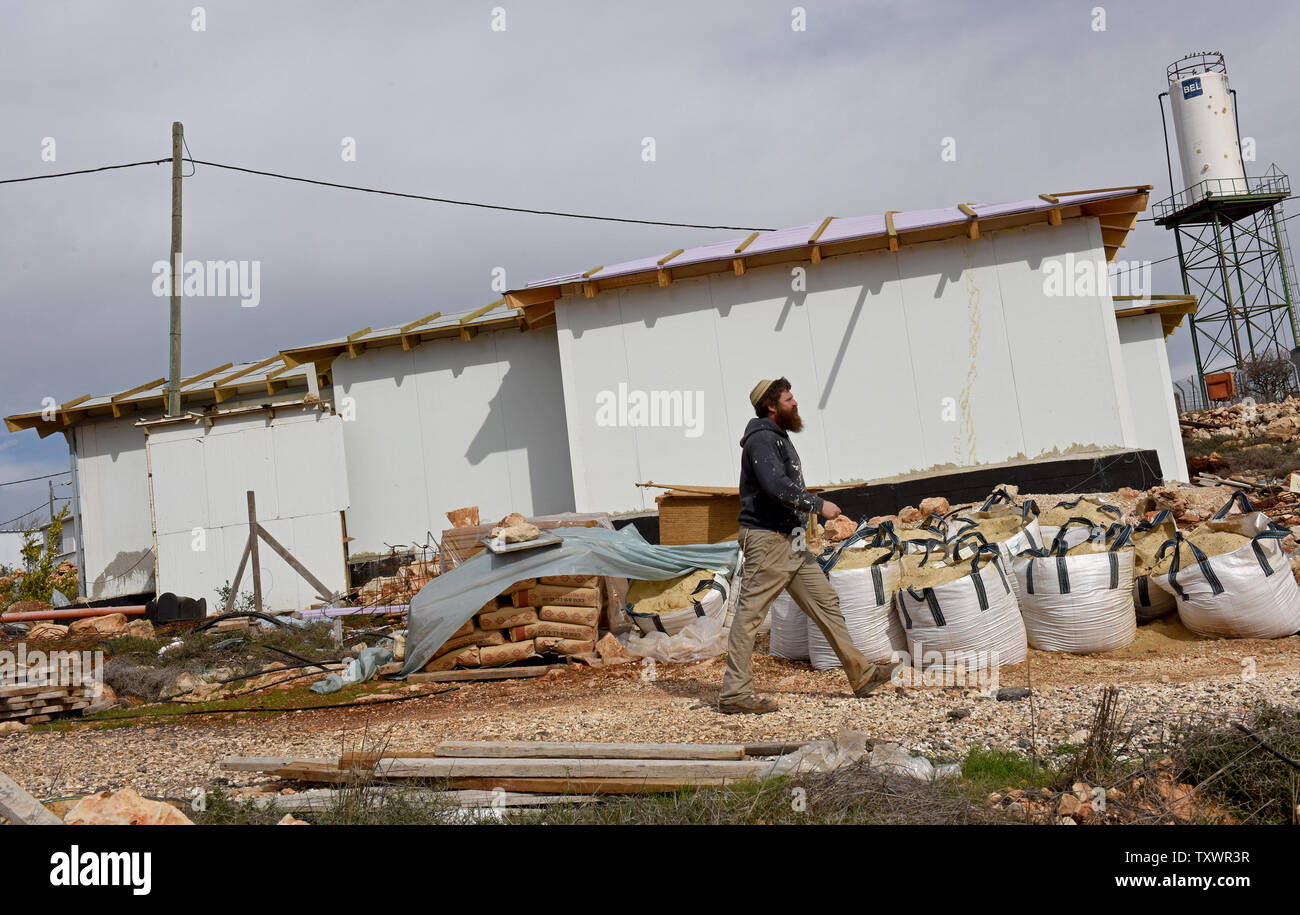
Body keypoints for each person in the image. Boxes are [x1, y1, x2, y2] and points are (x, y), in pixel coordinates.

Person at [717, 378, 896, 714]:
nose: (795, 402)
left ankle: (862, 674)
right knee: (750, 615)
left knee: (825, 602)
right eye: (789, 398)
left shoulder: (776, 438)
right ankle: (734, 694)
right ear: (772, 406)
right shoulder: (761, 440)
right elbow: (775, 485)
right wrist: (818, 504)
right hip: (769, 539)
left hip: (791, 541)